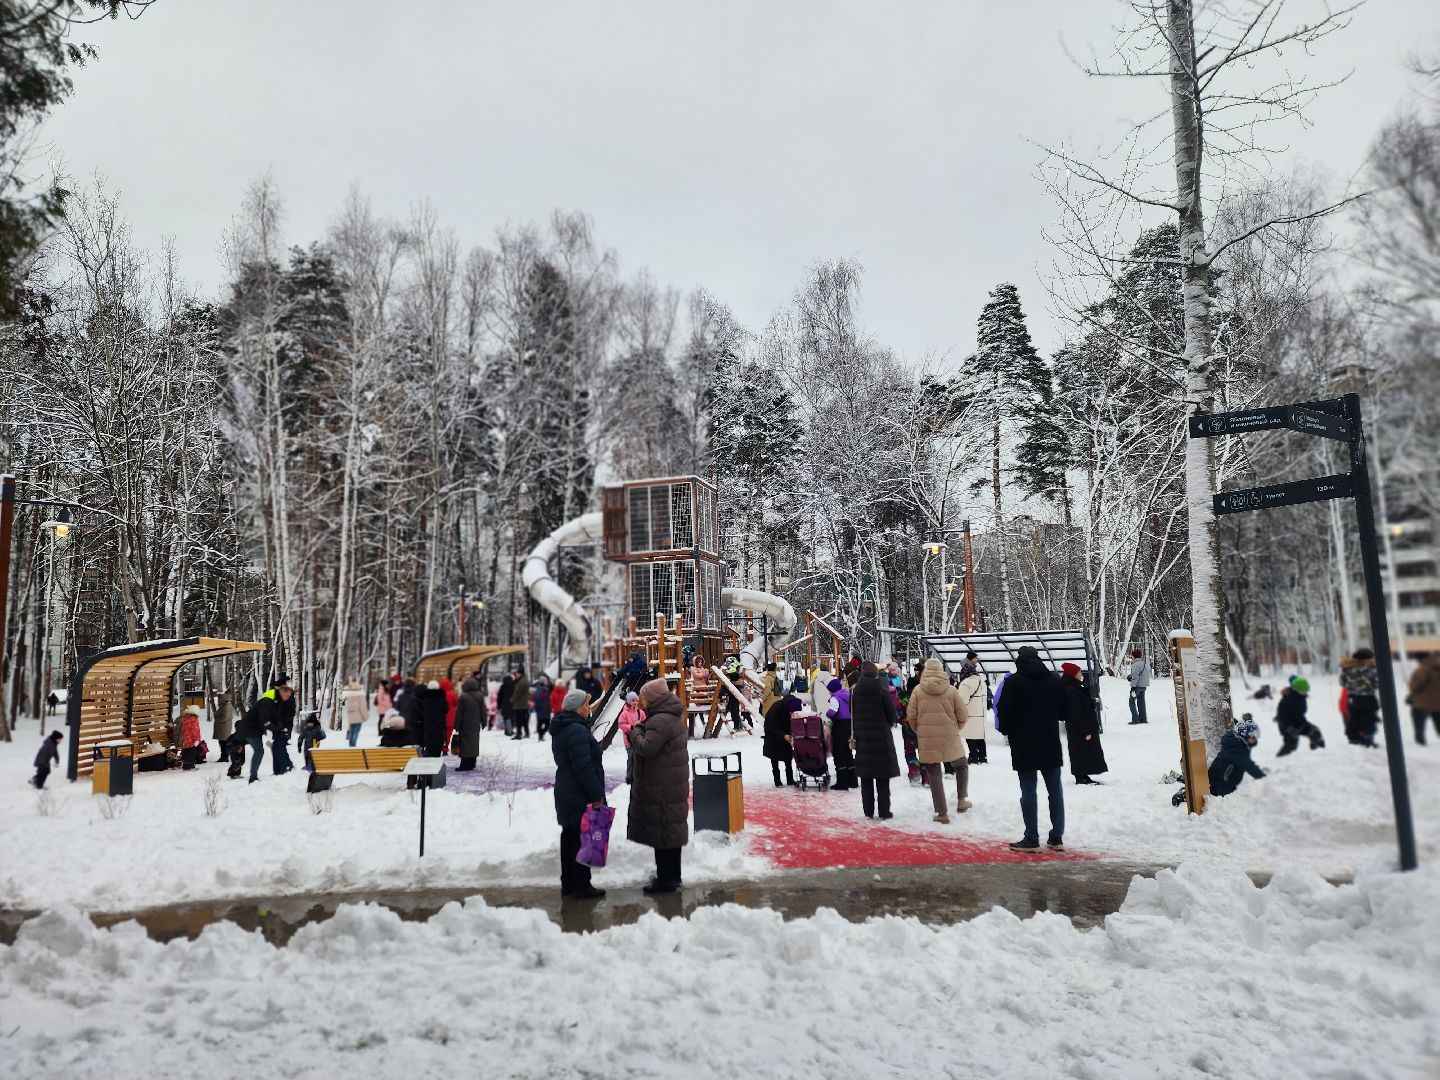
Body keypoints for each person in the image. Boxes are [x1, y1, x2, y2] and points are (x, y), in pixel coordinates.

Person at [996, 646, 1067, 852]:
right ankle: (1056, 837)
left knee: (1028, 790)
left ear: (1019, 660)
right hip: (1050, 743)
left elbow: (1004, 711)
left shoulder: (1013, 682)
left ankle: (1031, 838)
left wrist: (1006, 730)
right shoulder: (1054, 680)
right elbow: (1064, 711)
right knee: (1055, 790)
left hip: (1023, 743)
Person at [628, 677, 689, 895]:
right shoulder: (671, 717)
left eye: (644, 697)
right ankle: (674, 876)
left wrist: (635, 732)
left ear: (653, 698)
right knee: (671, 833)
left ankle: (665, 881)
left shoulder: (660, 720)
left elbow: (646, 747)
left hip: (662, 787)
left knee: (662, 835)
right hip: (670, 784)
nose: (641, 701)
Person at [551, 687, 607, 900]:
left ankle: (569, 883)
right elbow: (583, 766)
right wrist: (596, 795)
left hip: (567, 791)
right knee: (582, 839)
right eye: (585, 704)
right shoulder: (576, 730)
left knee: (570, 837)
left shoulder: (565, 726)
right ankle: (582, 885)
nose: (588, 708)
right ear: (576, 708)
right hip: (579, 793)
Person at [907, 659, 968, 823]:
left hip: (927, 737)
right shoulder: (951, 690)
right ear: (942, 670)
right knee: (961, 764)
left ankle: (942, 813)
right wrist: (956, 728)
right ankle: (962, 799)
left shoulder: (918, 691)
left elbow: (911, 717)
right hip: (950, 734)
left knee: (934, 773)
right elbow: (962, 714)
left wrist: (921, 730)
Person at [850, 660, 899, 819]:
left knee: (866, 776)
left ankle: (868, 811)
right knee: (882, 777)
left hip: (863, 739)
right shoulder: (882, 691)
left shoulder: (855, 692)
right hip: (881, 738)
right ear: (876, 674)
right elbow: (891, 715)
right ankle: (884, 811)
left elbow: (854, 715)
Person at [1059, 663, 1108, 785]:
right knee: (1079, 751)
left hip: (1082, 726)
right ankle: (1080, 776)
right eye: (1079, 672)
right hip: (1079, 728)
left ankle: (1083, 774)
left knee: (1085, 751)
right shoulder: (1070, 689)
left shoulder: (1074, 686)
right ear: (1073, 674)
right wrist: (1085, 730)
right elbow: (1076, 712)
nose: (1081, 674)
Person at [237, 680, 292, 783]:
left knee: (260, 750)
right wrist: (277, 729)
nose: (288, 698)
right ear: (282, 692)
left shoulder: (277, 701)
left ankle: (253, 774)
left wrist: (281, 729)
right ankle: (253, 777)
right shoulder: (267, 702)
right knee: (259, 751)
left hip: (256, 730)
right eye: (288, 695)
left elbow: (276, 718)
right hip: (248, 728)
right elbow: (264, 721)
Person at [1209, 716, 1266, 797]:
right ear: (1245, 735)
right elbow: (1250, 766)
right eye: (1253, 737)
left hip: (1223, 780)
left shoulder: (1236, 743)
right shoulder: (1237, 749)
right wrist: (1264, 778)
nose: (1255, 740)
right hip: (1222, 784)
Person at [1339, 648, 1380, 747]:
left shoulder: (1347, 668)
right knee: (1368, 719)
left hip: (1352, 698)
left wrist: (1352, 686)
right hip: (1368, 698)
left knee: (1354, 718)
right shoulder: (1372, 669)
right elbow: (1377, 684)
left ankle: (1353, 739)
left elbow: (1342, 683)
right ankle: (1367, 740)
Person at [1275, 676, 1324, 756]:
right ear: (1295, 689)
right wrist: (1289, 728)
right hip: (1288, 726)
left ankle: (1319, 754)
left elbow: (1301, 712)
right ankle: (1280, 760)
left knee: (1315, 732)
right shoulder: (1286, 700)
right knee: (1291, 745)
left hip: (1300, 722)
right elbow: (1282, 717)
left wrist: (1303, 723)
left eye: (1306, 691)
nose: (1305, 693)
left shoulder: (1301, 697)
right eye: (1303, 691)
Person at [825, 676, 857, 790]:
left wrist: (827, 713)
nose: (828, 692)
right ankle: (853, 781)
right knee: (848, 753)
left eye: (829, 690)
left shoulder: (835, 698)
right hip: (849, 726)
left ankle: (842, 783)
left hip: (839, 727)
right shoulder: (847, 695)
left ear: (832, 689)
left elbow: (832, 712)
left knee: (839, 754)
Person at [762, 689, 797, 787]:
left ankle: (790, 780)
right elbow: (771, 725)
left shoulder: (790, 706)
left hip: (785, 735)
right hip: (773, 735)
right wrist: (783, 735)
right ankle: (777, 781)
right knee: (774, 759)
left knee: (788, 758)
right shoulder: (776, 707)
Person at [957, 655, 987, 765]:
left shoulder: (966, 682)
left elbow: (963, 699)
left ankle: (974, 756)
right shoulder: (979, 680)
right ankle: (982, 756)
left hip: (970, 710)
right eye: (976, 658)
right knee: (978, 733)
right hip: (979, 710)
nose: (977, 660)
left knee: (970, 734)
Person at [455, 672, 487, 770]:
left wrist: (456, 726)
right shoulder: (480, 695)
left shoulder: (463, 697)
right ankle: (472, 763)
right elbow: (483, 710)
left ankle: (464, 765)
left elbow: (459, 713)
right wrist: (484, 722)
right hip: (475, 724)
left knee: (464, 744)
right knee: (474, 743)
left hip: (465, 724)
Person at [268, 674, 297, 775]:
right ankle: (279, 768)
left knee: (279, 746)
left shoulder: (288, 697)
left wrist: (281, 723)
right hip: (279, 726)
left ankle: (286, 766)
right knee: (277, 746)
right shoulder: (281, 698)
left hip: (284, 726)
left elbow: (290, 713)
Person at [1411, 653, 1440, 745]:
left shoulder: (1423, 669)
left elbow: (1415, 685)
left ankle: (1420, 742)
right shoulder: (1437, 666)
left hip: (1422, 702)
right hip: (1438, 702)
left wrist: (1412, 694)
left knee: (1419, 724)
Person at [617, 691, 643, 784]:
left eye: (636, 700)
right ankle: (629, 777)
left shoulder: (640, 712)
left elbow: (645, 721)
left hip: (639, 739)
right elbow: (621, 725)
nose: (635, 702)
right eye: (632, 700)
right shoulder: (624, 713)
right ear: (628, 701)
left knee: (639, 758)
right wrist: (631, 726)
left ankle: (638, 776)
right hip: (629, 740)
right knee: (631, 758)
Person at [395, 677, 422, 746]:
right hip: (413, 719)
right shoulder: (415, 696)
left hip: (402, 719)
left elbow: (397, 708)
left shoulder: (400, 696)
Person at [1127, 649, 1150, 724]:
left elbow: (1135, 677)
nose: (1131, 657)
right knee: (1141, 703)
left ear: (1134, 656)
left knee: (1131, 702)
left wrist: (1133, 687)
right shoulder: (1144, 664)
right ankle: (1143, 719)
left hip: (1137, 686)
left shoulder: (1135, 665)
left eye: (1132, 656)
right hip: (1143, 686)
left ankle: (1135, 719)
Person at [342, 680, 366, 747]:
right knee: (356, 731)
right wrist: (364, 716)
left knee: (352, 730)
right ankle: (353, 744)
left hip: (351, 716)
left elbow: (347, 707)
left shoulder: (349, 696)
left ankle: (350, 744)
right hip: (358, 716)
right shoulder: (360, 697)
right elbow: (362, 707)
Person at [179, 705, 203, 770]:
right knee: (192, 754)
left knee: (187, 753)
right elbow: (195, 730)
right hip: (192, 740)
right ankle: (189, 766)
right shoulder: (193, 720)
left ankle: (188, 765)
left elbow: (184, 729)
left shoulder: (186, 718)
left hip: (186, 739)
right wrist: (196, 739)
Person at [440, 677, 459, 752]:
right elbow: (456, 704)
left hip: (441, 717)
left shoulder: (439, 694)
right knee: (448, 734)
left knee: (440, 733)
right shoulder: (452, 694)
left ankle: (440, 746)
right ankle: (445, 748)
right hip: (450, 718)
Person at [533, 673, 553, 741]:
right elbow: (538, 699)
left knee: (546, 724)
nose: (546, 682)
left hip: (545, 709)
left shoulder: (545, 688)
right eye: (545, 681)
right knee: (541, 723)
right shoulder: (540, 689)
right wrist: (545, 706)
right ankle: (540, 736)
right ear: (543, 681)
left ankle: (541, 735)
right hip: (542, 709)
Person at [497, 670, 516, 736]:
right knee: (512, 717)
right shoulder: (514, 685)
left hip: (504, 703)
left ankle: (508, 730)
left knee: (506, 717)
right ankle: (510, 730)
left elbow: (499, 697)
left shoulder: (503, 686)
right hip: (512, 703)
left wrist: (499, 706)